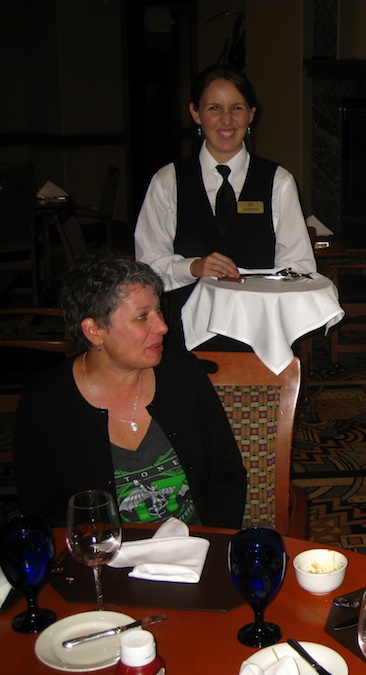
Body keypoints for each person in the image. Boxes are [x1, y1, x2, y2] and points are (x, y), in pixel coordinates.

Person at [13, 251, 247, 528]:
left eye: (158, 310)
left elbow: (227, 473)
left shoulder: (182, 372)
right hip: (105, 560)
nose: (161, 326)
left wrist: (210, 542)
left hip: (196, 549)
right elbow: (42, 511)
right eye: (141, 317)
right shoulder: (45, 401)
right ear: (95, 331)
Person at [134, 64, 315, 348]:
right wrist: (193, 267)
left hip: (260, 334)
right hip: (189, 336)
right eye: (214, 108)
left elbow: (299, 265)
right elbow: (146, 266)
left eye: (237, 108)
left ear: (251, 114)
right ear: (196, 113)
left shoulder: (278, 181)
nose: (227, 120)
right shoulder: (168, 180)